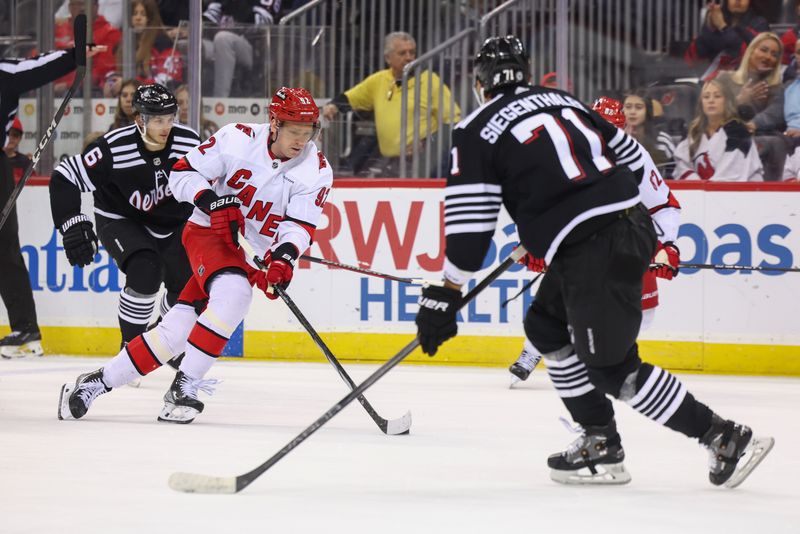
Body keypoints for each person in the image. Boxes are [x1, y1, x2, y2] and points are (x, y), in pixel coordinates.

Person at [414, 35, 773, 487]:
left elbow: (471, 229)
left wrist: (446, 293)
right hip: (624, 227)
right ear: (525, 72)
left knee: (611, 368)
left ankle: (721, 436)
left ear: (479, 82)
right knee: (545, 326)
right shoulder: (563, 100)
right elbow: (631, 158)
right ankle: (599, 440)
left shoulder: (475, 128)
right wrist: (563, 220)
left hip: (592, 246)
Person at [57, 87, 333, 424]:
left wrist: (283, 259)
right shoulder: (236, 138)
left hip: (250, 253)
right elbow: (183, 172)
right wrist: (211, 203)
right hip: (208, 232)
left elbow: (299, 225)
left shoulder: (316, 169)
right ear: (273, 122)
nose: (301, 140)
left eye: (308, 133)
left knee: (175, 332)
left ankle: (94, 383)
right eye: (294, 131)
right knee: (235, 295)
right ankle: (184, 387)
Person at [509, 96, 681, 386]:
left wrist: (667, 246)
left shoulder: (634, 157)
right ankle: (532, 351)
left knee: (644, 313)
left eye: (610, 129)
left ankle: (612, 360)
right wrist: (537, 242)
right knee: (557, 301)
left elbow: (664, 206)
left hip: (626, 239)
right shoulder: (566, 155)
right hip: (581, 241)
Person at [49, 84, 200, 364]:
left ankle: (161, 339)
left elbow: (214, 180)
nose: (166, 126)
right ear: (139, 119)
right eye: (157, 120)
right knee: (146, 269)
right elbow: (64, 176)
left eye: (170, 118)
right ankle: (130, 350)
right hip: (121, 219)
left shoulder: (189, 142)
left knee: (191, 285)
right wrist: (71, 221)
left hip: (170, 222)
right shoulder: (114, 147)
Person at [0, 44, 105, 358]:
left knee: (3, 247)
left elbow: (36, 67)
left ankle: (25, 330)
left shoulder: (4, 73)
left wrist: (74, 53)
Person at [322, 31, 461, 176]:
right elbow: (352, 97)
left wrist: (428, 143)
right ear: (388, 58)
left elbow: (453, 121)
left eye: (412, 52)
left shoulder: (431, 81)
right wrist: (333, 106)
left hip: (424, 163)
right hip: (390, 162)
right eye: (402, 53)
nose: (409, 57)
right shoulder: (379, 80)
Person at [673, 78, 764, 181]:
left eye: (717, 96)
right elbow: (682, 165)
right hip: (701, 193)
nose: (711, 101)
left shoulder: (737, 131)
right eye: (706, 97)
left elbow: (731, 175)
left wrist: (705, 190)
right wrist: (697, 185)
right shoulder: (694, 131)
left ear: (727, 101)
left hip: (740, 194)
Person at [203, 1, 283, 97]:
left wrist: (238, 5)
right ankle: (193, 101)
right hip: (218, 42)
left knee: (223, 39)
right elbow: (209, 17)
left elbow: (265, 21)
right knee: (194, 44)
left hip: (253, 49)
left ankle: (219, 101)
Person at [684, 0, 769, 79]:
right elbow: (694, 57)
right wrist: (709, 29)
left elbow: (745, 52)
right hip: (713, 82)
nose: (737, 1)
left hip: (745, 79)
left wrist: (723, 27)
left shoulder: (760, 23)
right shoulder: (717, 19)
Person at [53, 0, 121, 94]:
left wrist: (68, 85)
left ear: (96, 6)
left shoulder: (109, 33)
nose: (82, 8)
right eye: (78, 4)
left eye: (85, 4)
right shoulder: (57, 31)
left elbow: (102, 71)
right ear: (69, 7)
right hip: (51, 90)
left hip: (87, 92)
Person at [129, 0, 183, 88]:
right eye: (134, 14)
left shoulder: (163, 44)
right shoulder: (125, 43)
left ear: (151, 19)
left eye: (143, 14)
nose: (138, 18)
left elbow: (166, 81)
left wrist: (135, 83)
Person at [3, 117, 31, 183]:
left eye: (15, 135)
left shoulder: (25, 161)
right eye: (6, 134)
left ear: (20, 138)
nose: (10, 138)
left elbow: (32, 184)